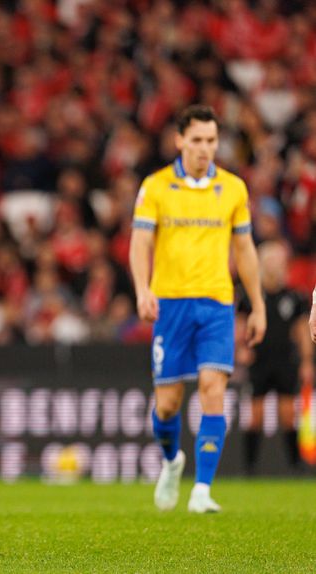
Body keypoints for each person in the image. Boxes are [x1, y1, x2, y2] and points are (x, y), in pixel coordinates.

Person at [129, 105, 266, 513]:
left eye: (211, 140)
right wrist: (141, 289)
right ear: (179, 140)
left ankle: (202, 490)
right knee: (167, 403)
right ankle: (172, 462)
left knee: (213, 389)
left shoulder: (234, 189)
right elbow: (140, 242)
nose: (205, 148)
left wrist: (257, 306)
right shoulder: (155, 187)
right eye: (198, 140)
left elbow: (244, 249)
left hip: (217, 304)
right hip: (170, 305)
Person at [239, 242, 313, 473]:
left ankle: (295, 465)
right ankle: (249, 467)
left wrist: (307, 361)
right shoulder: (250, 296)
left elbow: (302, 331)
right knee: (255, 416)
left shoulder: (295, 297)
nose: (278, 267)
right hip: (259, 361)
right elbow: (239, 324)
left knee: (289, 415)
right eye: (273, 262)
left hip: (285, 361)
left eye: (281, 263)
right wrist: (240, 348)